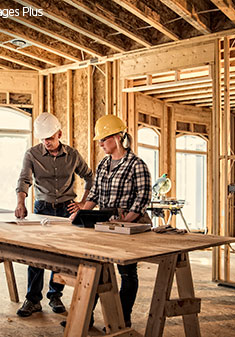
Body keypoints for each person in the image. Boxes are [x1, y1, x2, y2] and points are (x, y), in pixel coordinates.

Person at [72, 114, 152, 328]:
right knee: (95, 270)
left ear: (118, 137)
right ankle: (85, 319)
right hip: (106, 226)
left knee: (127, 272)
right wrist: (81, 215)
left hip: (129, 226)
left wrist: (126, 221)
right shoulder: (103, 164)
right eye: (99, 141)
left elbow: (143, 198)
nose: (100, 144)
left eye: (104, 140)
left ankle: (122, 319)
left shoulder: (137, 165)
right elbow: (95, 195)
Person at [15, 112, 94, 318]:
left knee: (60, 256)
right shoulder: (31, 154)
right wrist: (21, 202)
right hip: (42, 209)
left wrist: (83, 204)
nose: (46, 143)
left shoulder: (73, 155)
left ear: (59, 134)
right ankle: (32, 300)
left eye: (50, 138)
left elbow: (89, 177)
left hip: (67, 209)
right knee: (36, 256)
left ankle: (55, 295)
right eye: (43, 139)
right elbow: (24, 180)